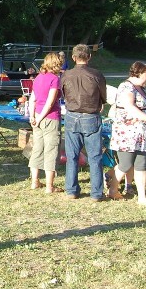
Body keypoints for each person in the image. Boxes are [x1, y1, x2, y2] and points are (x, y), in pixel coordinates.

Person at [107, 61, 146, 207]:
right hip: (127, 132)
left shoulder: (143, 89)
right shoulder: (126, 87)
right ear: (137, 73)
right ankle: (113, 189)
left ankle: (142, 197)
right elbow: (130, 107)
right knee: (125, 164)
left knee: (141, 164)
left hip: (141, 133)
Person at [61, 44, 108, 201]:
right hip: (91, 116)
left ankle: (71, 191)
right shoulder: (96, 74)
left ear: (73, 58)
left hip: (72, 115)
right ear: (89, 57)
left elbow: (63, 94)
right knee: (95, 157)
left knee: (71, 155)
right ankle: (96, 193)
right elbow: (103, 97)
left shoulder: (66, 75)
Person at [28, 52, 63, 193]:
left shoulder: (38, 78)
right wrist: (41, 117)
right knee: (51, 151)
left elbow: (32, 99)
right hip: (50, 117)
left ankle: (34, 182)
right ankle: (49, 186)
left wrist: (32, 117)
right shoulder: (54, 79)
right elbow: (50, 102)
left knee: (37, 149)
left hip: (36, 116)